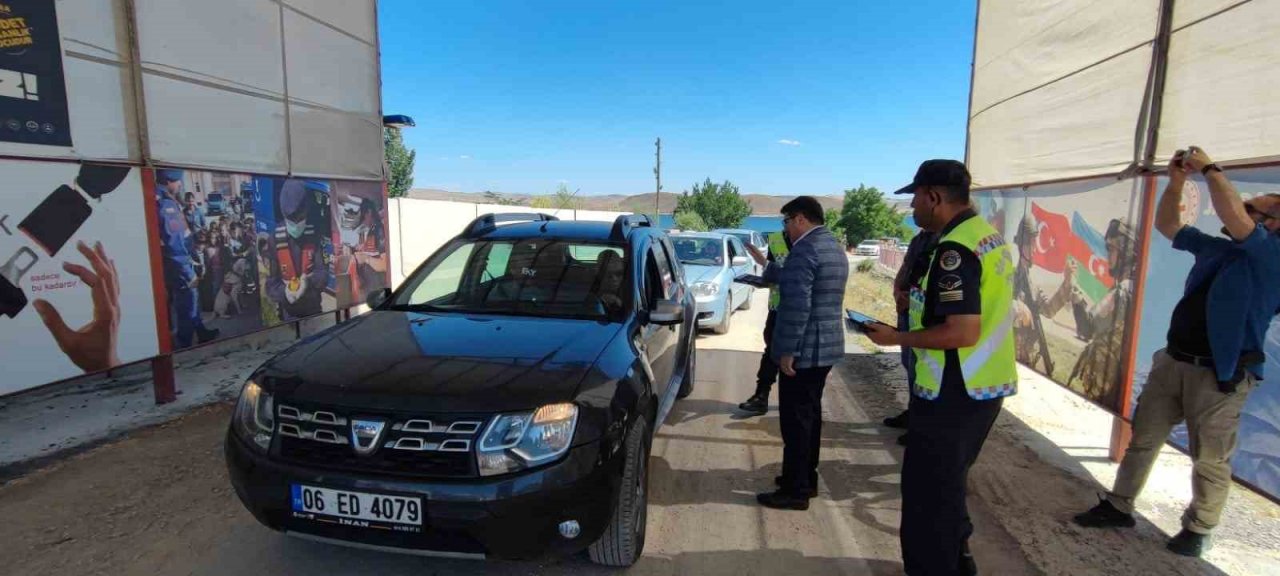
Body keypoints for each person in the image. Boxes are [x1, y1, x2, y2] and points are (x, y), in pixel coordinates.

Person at [1073, 146, 1280, 557]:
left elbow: (1235, 220)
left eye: (1255, 209)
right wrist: (1177, 181)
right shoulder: (1221, 248)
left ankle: (1199, 527)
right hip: (1176, 359)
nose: (1242, 210)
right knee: (1144, 440)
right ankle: (1119, 506)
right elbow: (1168, 224)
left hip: (1222, 374)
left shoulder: (1271, 256)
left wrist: (1210, 169)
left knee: (1210, 460)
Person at [866, 159, 1017, 576]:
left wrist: (895, 338)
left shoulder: (955, 249)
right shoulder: (986, 237)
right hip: (981, 388)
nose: (911, 206)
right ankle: (959, 564)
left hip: (954, 392)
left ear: (934, 196)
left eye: (914, 197)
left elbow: (961, 331)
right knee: (947, 492)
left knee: (926, 503)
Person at [746, 196, 849, 510]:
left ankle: (795, 490)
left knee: (795, 422)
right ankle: (805, 477)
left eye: (786, 222)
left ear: (800, 219)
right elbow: (794, 276)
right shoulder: (831, 245)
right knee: (809, 417)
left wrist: (787, 351)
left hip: (804, 350)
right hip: (825, 347)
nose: (786, 229)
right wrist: (767, 267)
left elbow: (797, 305)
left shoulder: (805, 249)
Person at [884, 228, 938, 445]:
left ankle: (922, 424)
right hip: (908, 313)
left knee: (922, 370)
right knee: (910, 365)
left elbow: (936, 287)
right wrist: (897, 292)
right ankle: (913, 413)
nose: (914, 207)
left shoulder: (946, 240)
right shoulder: (920, 238)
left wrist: (914, 299)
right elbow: (906, 269)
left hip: (924, 319)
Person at [156, 169, 218, 348]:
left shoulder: (163, 199)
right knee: (188, 301)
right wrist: (187, 271)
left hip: (179, 262)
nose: (180, 185)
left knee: (192, 299)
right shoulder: (166, 204)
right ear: (169, 180)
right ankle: (184, 343)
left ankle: (200, 331)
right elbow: (174, 243)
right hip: (179, 264)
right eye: (178, 181)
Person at [738, 229, 791, 415]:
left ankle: (793, 400)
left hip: (803, 308)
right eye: (785, 220)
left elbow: (798, 276)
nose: (787, 225)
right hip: (777, 307)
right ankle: (761, 396)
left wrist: (766, 264)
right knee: (771, 351)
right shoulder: (776, 239)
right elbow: (770, 275)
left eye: (789, 220)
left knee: (797, 355)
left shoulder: (810, 243)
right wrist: (763, 277)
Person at [266, 179, 332, 319]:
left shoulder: (314, 234)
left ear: (306, 211)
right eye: (291, 220)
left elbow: (323, 273)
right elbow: (271, 285)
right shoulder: (274, 240)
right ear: (284, 215)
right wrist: (285, 292)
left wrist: (308, 283)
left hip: (313, 308)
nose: (296, 224)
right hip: (288, 312)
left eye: (300, 218)